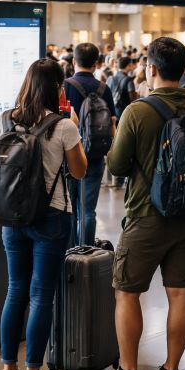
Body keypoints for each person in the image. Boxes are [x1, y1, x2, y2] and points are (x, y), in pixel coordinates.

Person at [105, 38, 185, 370]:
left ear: (151, 69)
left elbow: (118, 164)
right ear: (184, 71)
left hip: (146, 216)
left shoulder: (137, 111)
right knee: (179, 292)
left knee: (127, 291)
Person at [0, 59, 88, 370]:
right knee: (40, 295)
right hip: (51, 215)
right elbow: (79, 171)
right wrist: (75, 123)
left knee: (15, 290)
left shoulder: (7, 119)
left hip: (12, 215)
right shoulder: (63, 126)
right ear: (56, 88)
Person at [63, 43, 117, 246]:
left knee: (69, 208)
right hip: (94, 157)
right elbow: (112, 123)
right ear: (96, 64)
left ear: (74, 62)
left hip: (68, 156)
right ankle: (85, 252)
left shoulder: (65, 86)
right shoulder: (104, 88)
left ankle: (69, 254)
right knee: (88, 211)